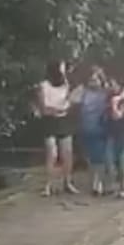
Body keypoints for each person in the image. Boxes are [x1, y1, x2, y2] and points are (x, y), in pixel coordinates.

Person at [37, 59, 79, 196]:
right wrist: (57, 110)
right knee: (52, 154)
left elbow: (68, 102)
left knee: (67, 153)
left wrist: (67, 106)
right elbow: (43, 108)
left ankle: (67, 182)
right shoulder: (43, 86)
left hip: (64, 121)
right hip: (50, 122)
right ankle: (48, 185)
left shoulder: (65, 85)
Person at [74, 66, 109, 196]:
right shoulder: (83, 92)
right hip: (86, 127)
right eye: (91, 80)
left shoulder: (106, 93)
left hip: (101, 127)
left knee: (99, 157)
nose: (93, 82)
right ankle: (95, 181)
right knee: (91, 158)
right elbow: (71, 100)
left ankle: (97, 183)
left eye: (96, 79)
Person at [104, 78, 124, 199]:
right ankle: (112, 186)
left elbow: (118, 115)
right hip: (112, 136)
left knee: (123, 165)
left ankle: (123, 188)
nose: (110, 87)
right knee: (110, 163)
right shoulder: (108, 101)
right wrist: (113, 102)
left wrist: (116, 102)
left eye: (112, 84)